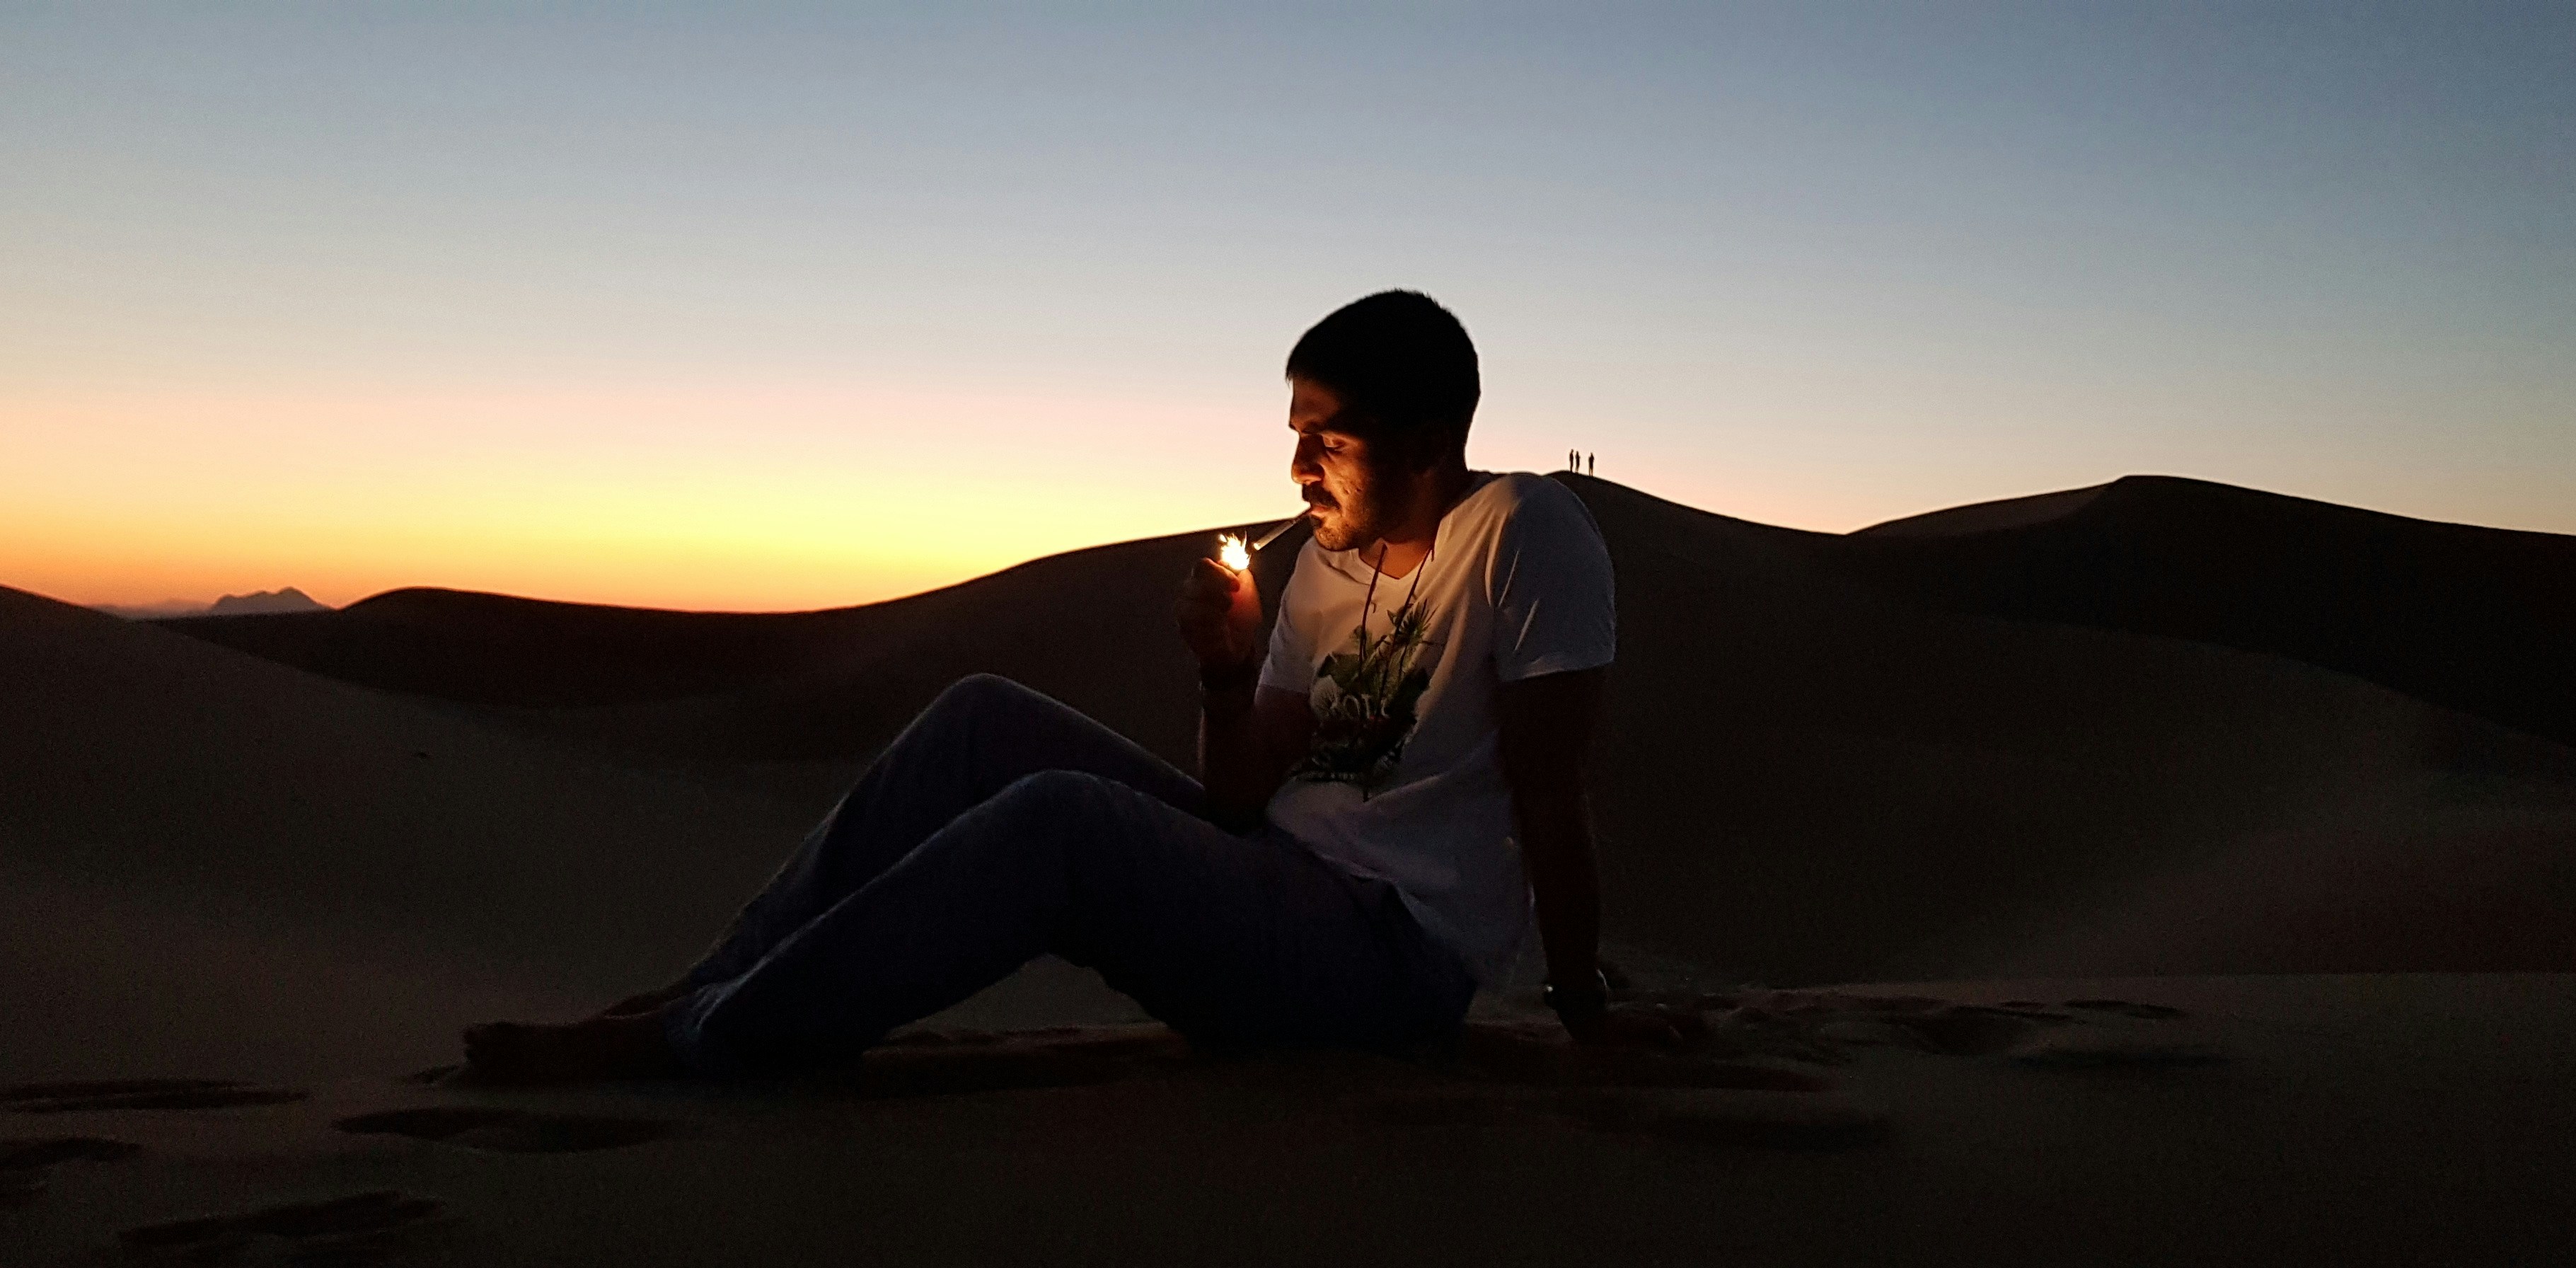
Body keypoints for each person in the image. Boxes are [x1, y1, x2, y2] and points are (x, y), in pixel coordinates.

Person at [461, 289, 1684, 1084]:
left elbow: (1551, 790)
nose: (1298, 462)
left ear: (1428, 442)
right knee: (983, 713)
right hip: (1273, 890)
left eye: (1333, 437)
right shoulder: (1320, 566)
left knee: (1060, 824)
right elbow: (1238, 798)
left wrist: (1583, 1006)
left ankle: (700, 1047)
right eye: (1295, 428)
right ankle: (707, 987)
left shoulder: (1526, 532)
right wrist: (1219, 675)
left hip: (1387, 966)